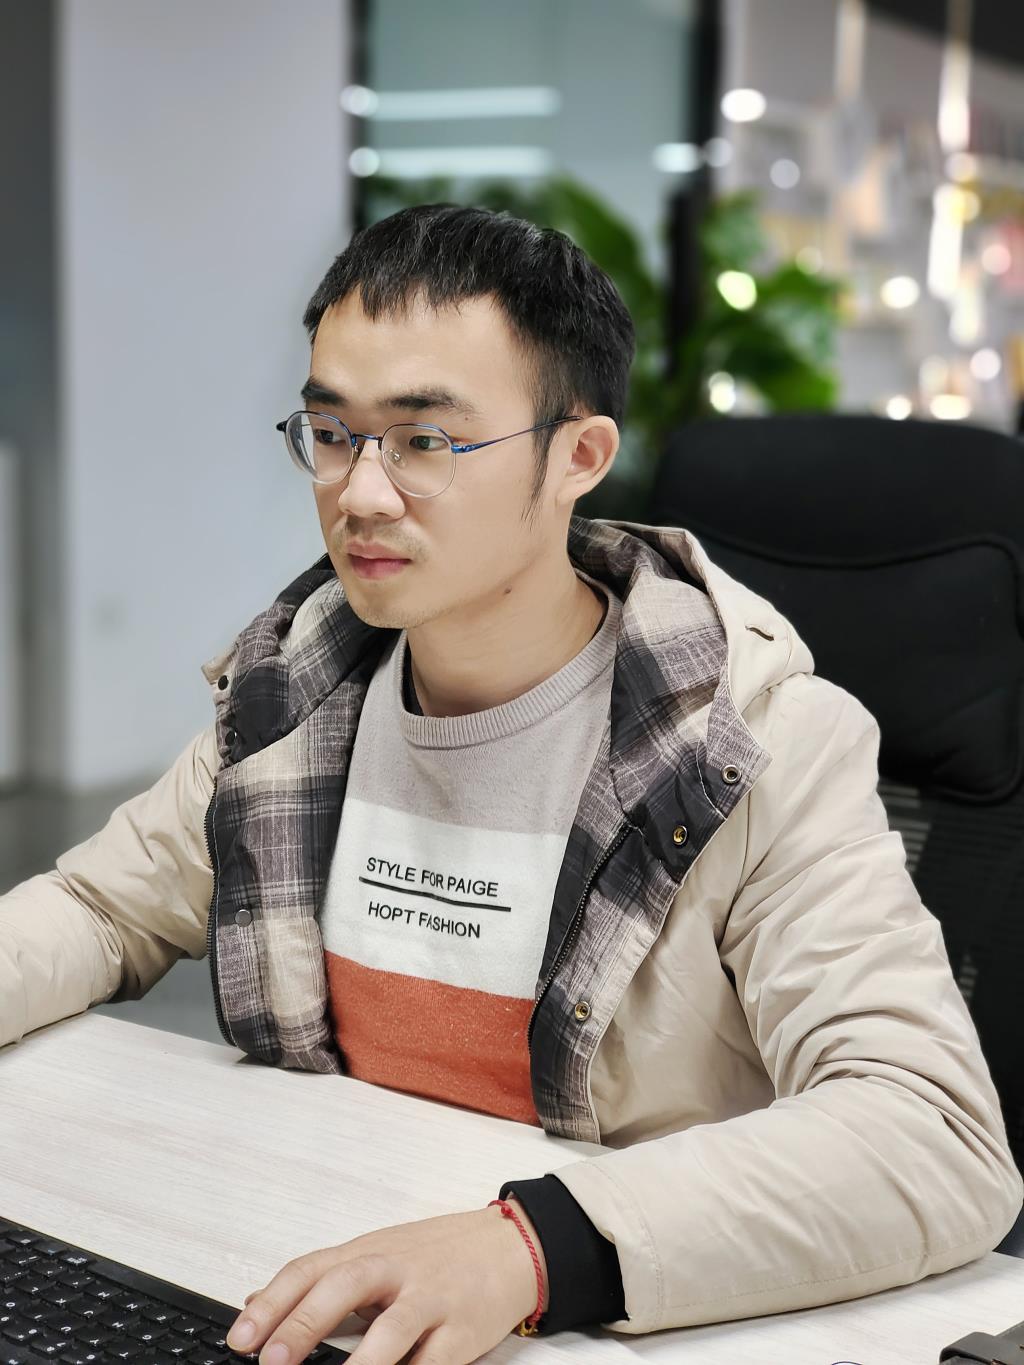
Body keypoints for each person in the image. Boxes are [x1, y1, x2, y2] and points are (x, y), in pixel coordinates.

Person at [1, 203, 1021, 1365]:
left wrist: (528, 1251)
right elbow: (99, 909)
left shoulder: (753, 746)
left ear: (576, 457)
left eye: (425, 441)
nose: (360, 493)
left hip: (604, 1319)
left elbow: (930, 1133)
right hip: (316, 1258)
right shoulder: (294, 697)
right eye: (332, 432)